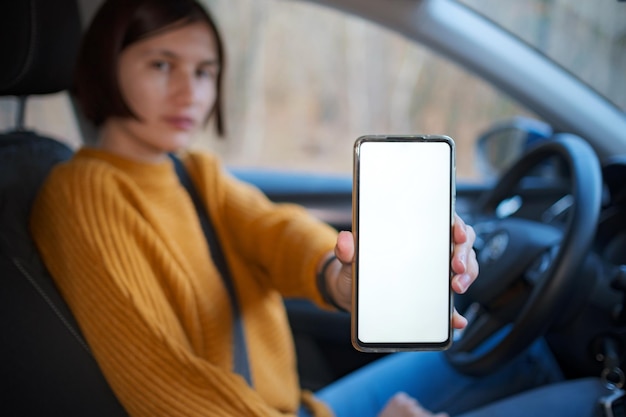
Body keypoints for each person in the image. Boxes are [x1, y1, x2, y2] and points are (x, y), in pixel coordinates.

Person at [29, 0, 561, 416]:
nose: (189, 92)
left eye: (205, 72)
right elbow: (165, 386)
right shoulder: (85, 193)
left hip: (298, 407)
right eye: (162, 64)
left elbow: (276, 233)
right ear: (106, 66)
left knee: (518, 350)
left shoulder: (192, 173)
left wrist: (349, 280)